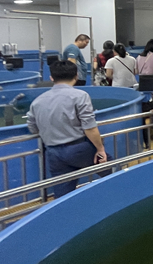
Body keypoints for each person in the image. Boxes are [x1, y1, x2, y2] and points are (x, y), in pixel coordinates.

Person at [26, 60, 107, 198]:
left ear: (52, 78)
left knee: (63, 194)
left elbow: (33, 128)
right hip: (79, 148)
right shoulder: (80, 96)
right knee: (112, 170)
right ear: (76, 76)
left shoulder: (37, 101)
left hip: (53, 152)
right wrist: (100, 149)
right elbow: (89, 127)